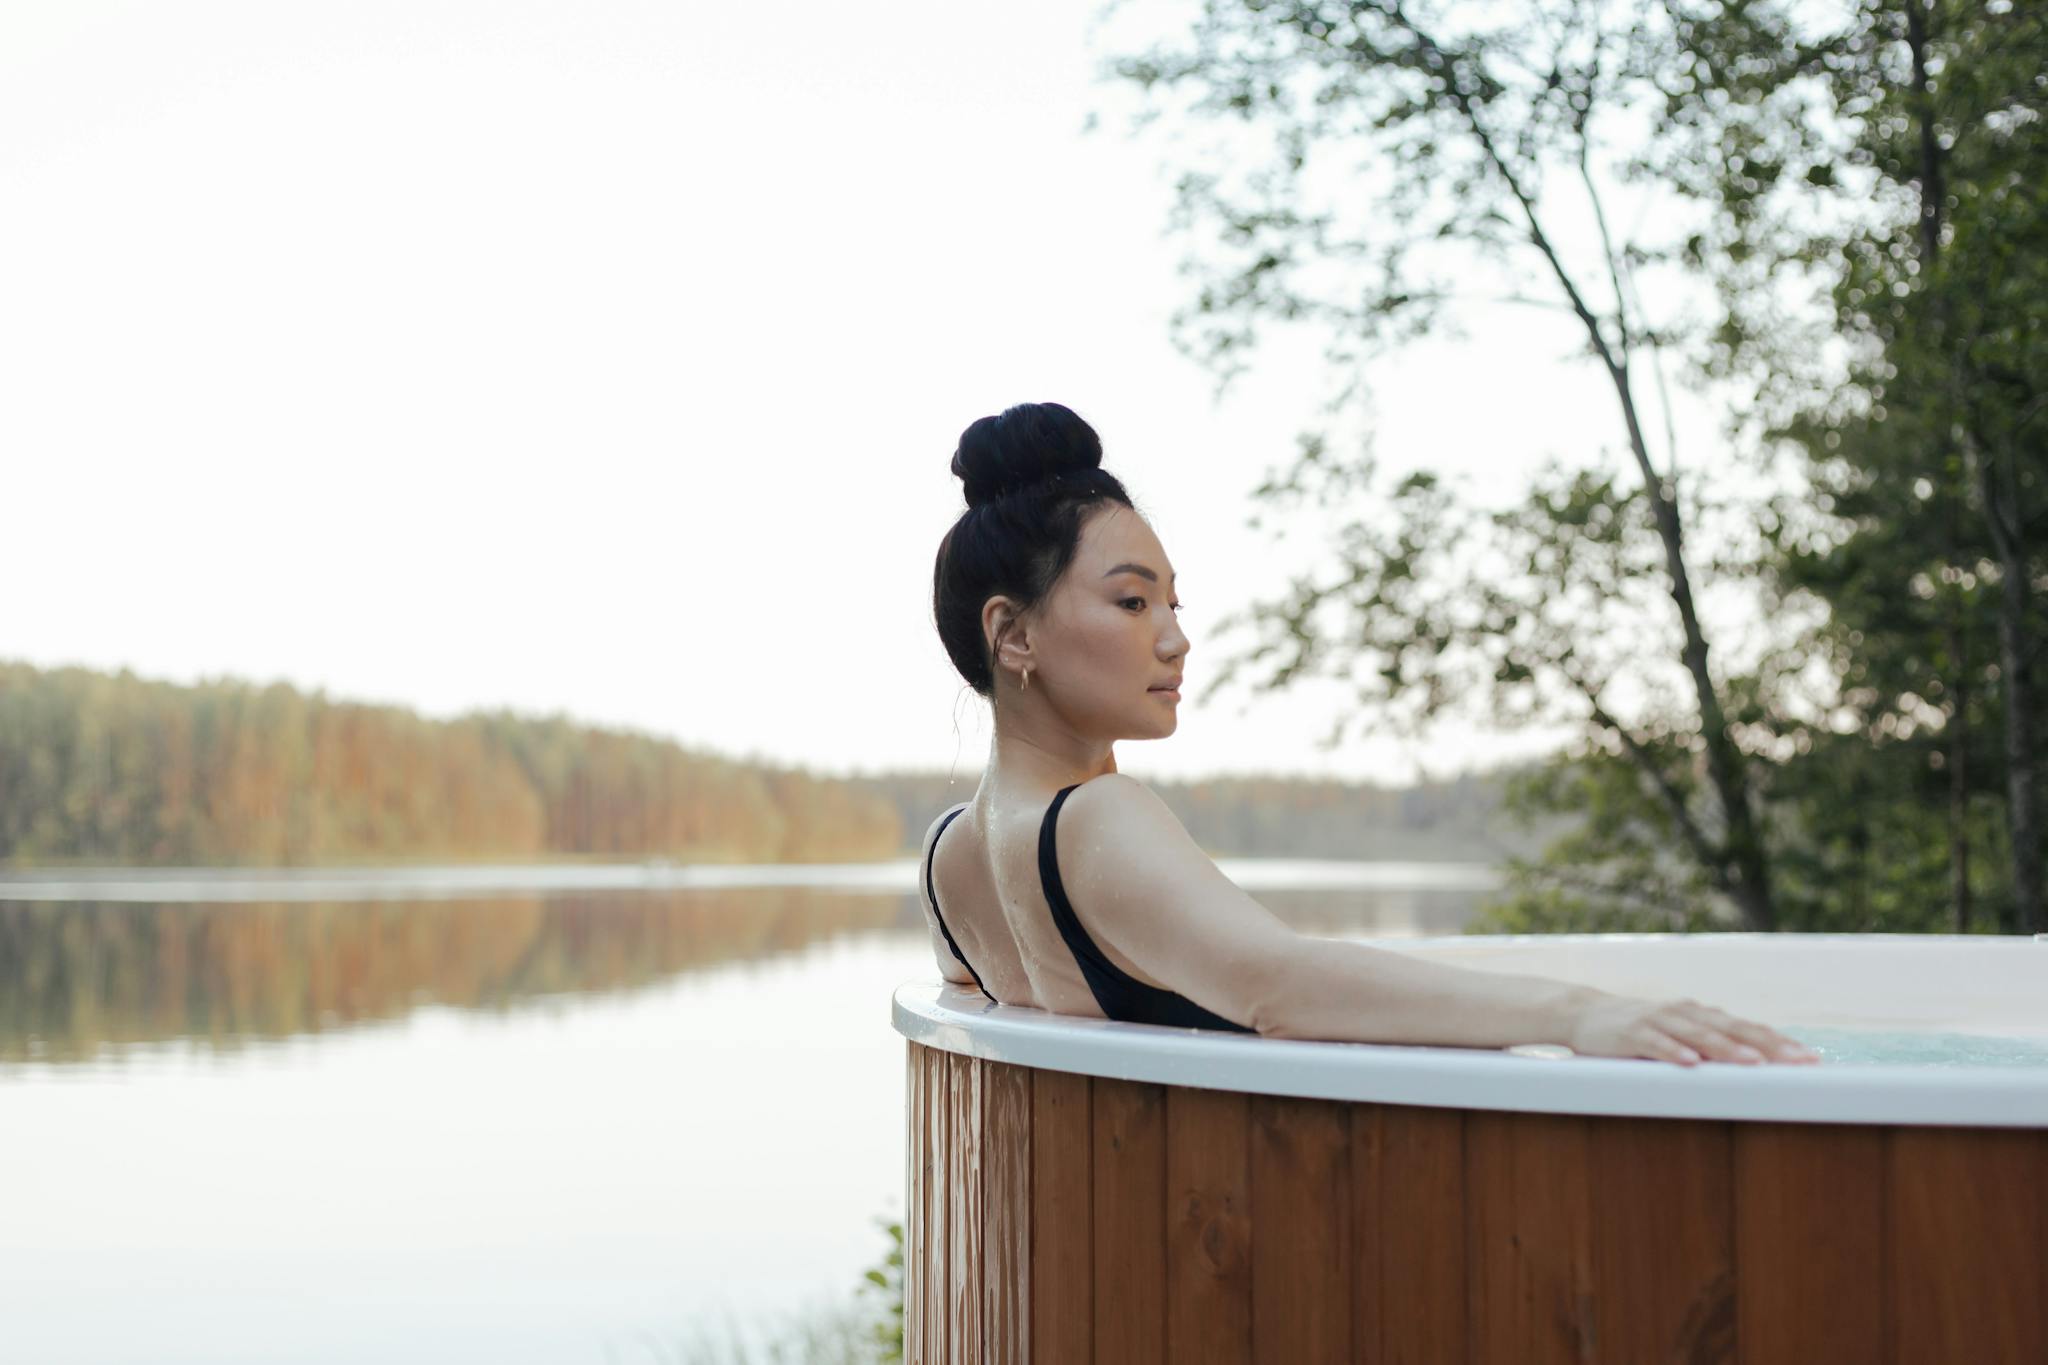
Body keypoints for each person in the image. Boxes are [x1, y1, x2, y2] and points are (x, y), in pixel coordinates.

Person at [922, 400, 1819, 1067]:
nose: (1175, 636)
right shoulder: (1095, 819)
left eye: (1172, 600)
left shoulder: (949, 856)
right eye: (1130, 600)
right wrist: (1576, 1014)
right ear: (1014, 634)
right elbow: (1279, 985)